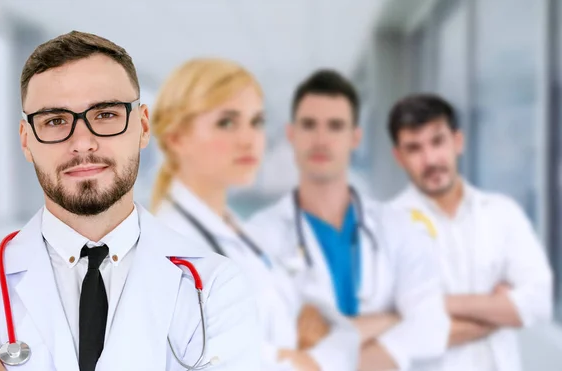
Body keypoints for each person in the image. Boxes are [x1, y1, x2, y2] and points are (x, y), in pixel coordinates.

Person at [0, 31, 261, 371]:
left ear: (143, 126)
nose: (83, 143)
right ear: (27, 141)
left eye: (105, 115)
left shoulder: (214, 286)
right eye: (56, 121)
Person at [150, 58, 360, 371]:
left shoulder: (239, 231)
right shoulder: (168, 247)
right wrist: (302, 358)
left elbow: (338, 332)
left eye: (257, 122)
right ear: (176, 138)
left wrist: (300, 351)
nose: (249, 139)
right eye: (227, 122)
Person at [248, 70, 449, 370]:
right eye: (309, 125)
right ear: (292, 135)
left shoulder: (397, 228)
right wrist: (391, 320)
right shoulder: (258, 238)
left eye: (335, 126)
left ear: (355, 137)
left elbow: (432, 329)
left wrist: (324, 358)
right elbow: (259, 349)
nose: (321, 139)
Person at [387, 93, 553, 371]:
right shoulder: (386, 229)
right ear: (399, 157)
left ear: (458, 142)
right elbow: (398, 334)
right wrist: (498, 310)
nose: (429, 160)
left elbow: (539, 303)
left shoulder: (502, 213)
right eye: (414, 148)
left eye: (438, 142)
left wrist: (443, 304)